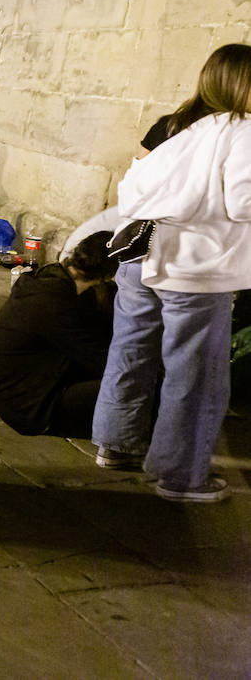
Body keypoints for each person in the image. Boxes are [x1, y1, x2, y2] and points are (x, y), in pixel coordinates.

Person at [92, 44, 251, 503]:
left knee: (131, 348)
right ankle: (181, 477)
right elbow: (243, 201)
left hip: (138, 251)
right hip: (192, 265)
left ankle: (116, 445)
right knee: (196, 372)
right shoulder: (240, 129)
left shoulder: (178, 124)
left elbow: (136, 176)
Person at [0, 232, 118, 439]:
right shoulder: (55, 303)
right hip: (28, 404)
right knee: (131, 385)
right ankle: (123, 448)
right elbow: (100, 358)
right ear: (109, 275)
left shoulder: (54, 280)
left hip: (25, 387)